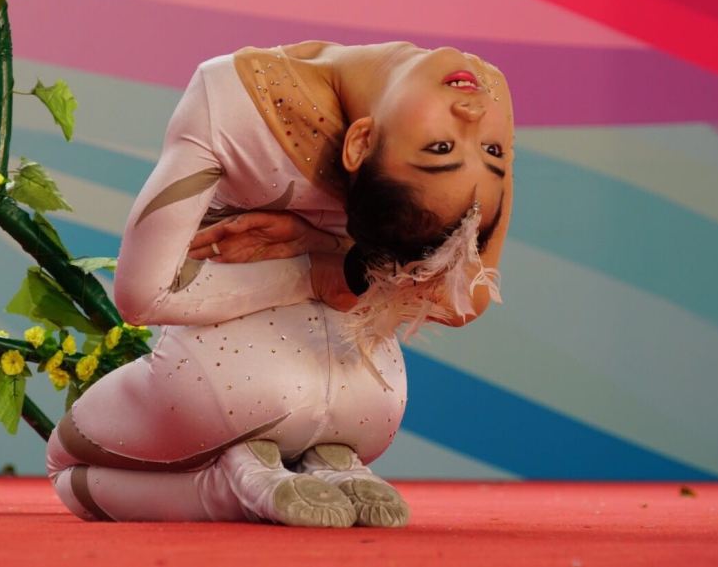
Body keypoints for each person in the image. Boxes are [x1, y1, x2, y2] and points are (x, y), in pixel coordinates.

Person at [45, 41, 514, 528]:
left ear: (360, 142)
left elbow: (142, 294)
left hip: (232, 382)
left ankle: (226, 492)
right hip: (371, 395)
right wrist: (334, 254)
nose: (472, 116)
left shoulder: (230, 91)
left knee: (66, 465)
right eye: (486, 150)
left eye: (445, 149)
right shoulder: (486, 90)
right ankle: (326, 461)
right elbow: (469, 293)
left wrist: (311, 270)